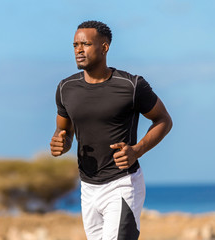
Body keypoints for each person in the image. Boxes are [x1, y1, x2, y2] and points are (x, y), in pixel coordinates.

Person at [50, 20, 173, 240]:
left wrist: (136, 150)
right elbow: (64, 131)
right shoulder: (65, 88)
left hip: (122, 184)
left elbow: (163, 120)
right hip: (87, 187)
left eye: (85, 44)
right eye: (75, 45)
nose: (79, 50)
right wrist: (62, 142)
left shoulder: (131, 85)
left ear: (104, 47)